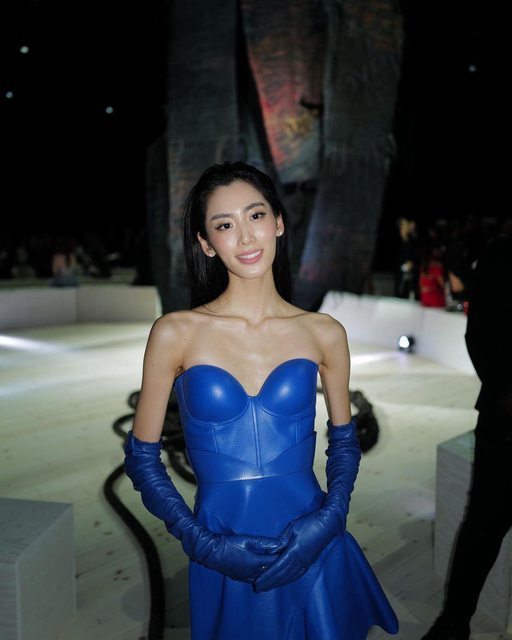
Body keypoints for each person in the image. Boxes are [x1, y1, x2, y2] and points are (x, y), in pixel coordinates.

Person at [123, 162, 399, 640]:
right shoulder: (175, 333)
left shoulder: (323, 332)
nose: (246, 237)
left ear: (279, 223)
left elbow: (344, 442)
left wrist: (330, 519)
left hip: (314, 542)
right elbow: (142, 459)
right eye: (224, 225)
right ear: (206, 244)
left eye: (255, 216)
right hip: (224, 548)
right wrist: (201, 542)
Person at [421, 232, 512, 640]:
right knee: (483, 527)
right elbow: (478, 336)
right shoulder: (501, 253)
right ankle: (453, 623)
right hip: (505, 422)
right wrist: (506, 395)